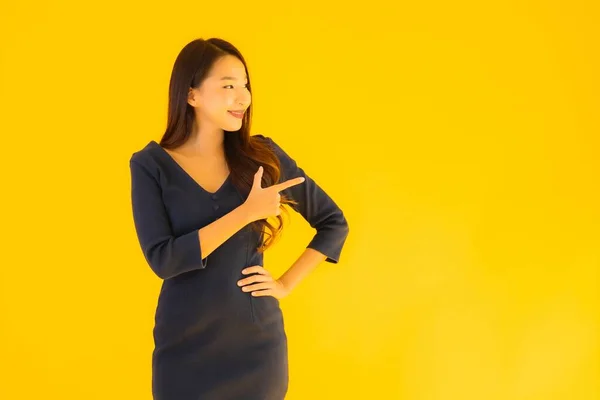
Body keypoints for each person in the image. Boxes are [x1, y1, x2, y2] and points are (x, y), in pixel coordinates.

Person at [129, 37, 350, 400]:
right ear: (192, 95)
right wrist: (246, 212)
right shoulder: (150, 165)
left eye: (245, 85)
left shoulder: (263, 157)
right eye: (228, 86)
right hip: (183, 349)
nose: (243, 97)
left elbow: (333, 222)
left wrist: (284, 285)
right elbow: (164, 259)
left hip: (256, 350)